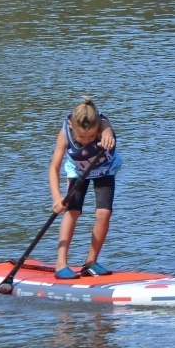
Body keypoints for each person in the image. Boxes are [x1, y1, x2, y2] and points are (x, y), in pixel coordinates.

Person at [48, 97, 122, 278]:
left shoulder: (103, 125)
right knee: (72, 211)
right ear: (71, 125)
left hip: (105, 170)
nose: (87, 141)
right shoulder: (65, 132)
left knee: (104, 213)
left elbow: (106, 128)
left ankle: (91, 262)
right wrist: (57, 198)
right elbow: (54, 168)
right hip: (78, 172)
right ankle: (60, 264)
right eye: (82, 137)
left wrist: (107, 135)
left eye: (91, 136)